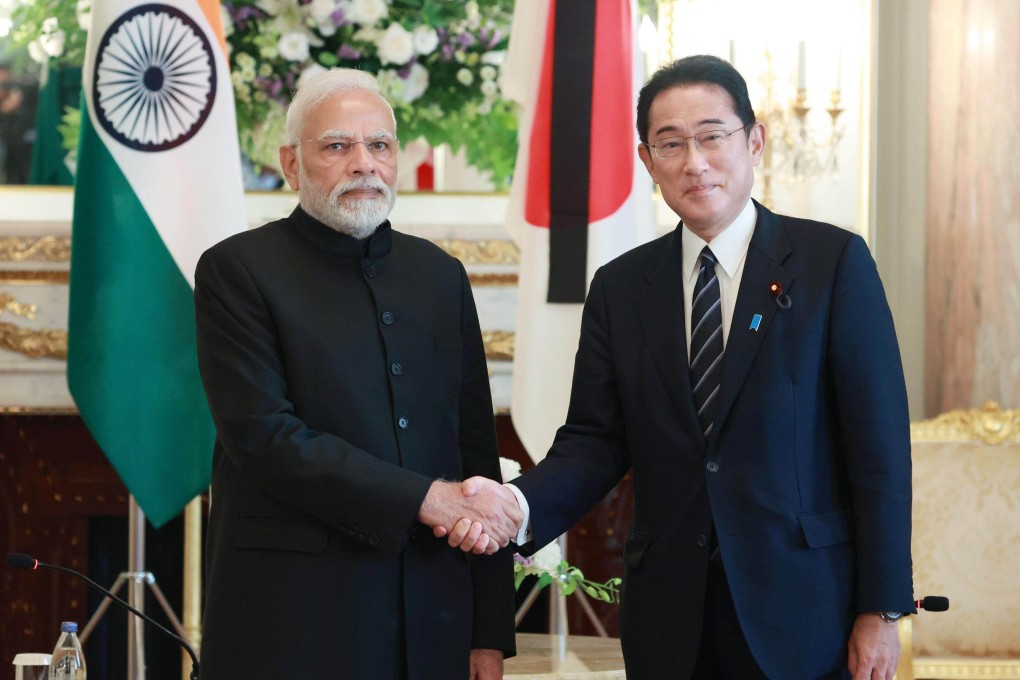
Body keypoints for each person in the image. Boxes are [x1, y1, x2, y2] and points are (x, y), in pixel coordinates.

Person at [445, 55, 915, 679]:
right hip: (671, 618)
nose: (694, 162)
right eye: (671, 143)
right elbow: (595, 441)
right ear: (646, 160)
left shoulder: (833, 264)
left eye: (712, 135)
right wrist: (516, 506)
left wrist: (881, 610)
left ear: (755, 140)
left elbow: (878, 450)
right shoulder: (621, 287)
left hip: (804, 612)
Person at [194, 68, 520, 680]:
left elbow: (475, 445)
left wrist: (488, 632)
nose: (363, 164)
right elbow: (265, 439)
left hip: (432, 616)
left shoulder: (439, 275)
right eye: (337, 146)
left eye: (380, 146)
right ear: (292, 165)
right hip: (294, 618)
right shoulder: (237, 271)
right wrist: (427, 500)